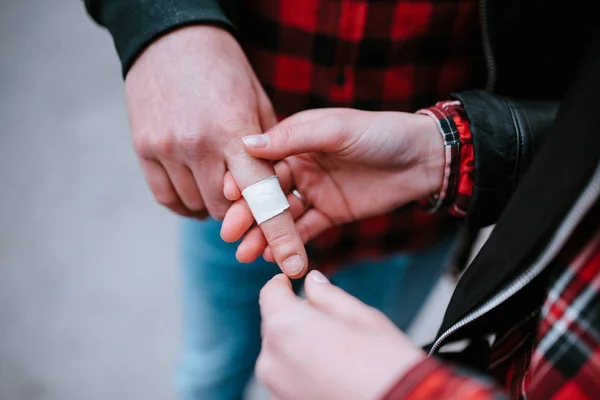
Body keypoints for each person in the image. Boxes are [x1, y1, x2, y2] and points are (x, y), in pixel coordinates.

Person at [222, 31, 600, 400]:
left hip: (408, 237)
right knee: (213, 366)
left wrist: (398, 387)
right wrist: (443, 148)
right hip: (278, 195)